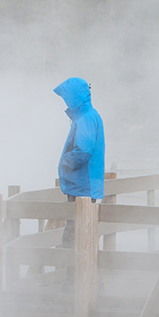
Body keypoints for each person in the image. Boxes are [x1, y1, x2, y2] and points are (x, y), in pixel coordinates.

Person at [54, 77, 105, 251]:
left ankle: (72, 279)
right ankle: (91, 278)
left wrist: (64, 162)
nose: (66, 102)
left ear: (75, 97)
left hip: (82, 187)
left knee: (74, 239)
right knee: (84, 237)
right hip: (84, 186)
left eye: (67, 97)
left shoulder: (86, 118)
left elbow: (83, 151)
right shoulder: (88, 116)